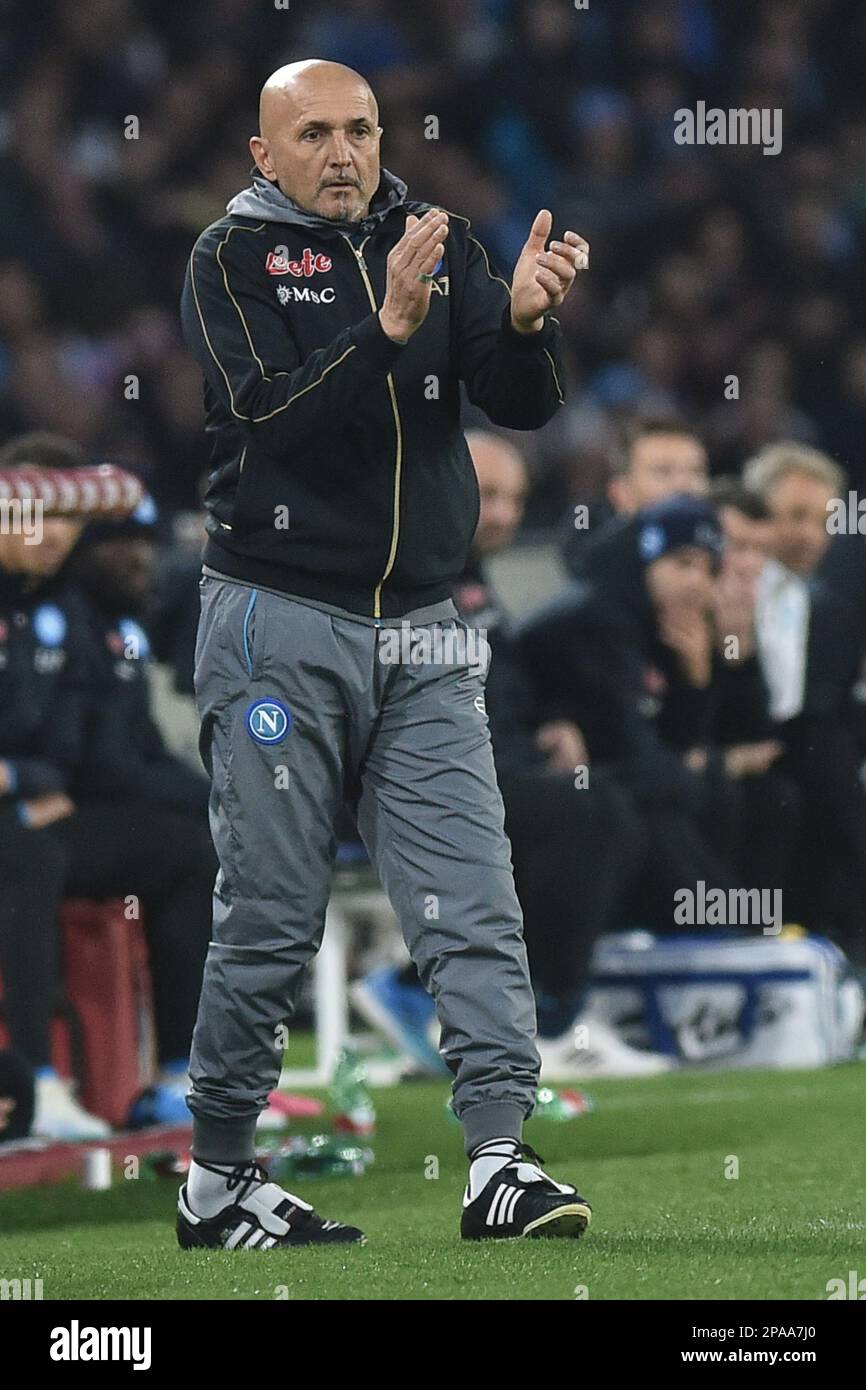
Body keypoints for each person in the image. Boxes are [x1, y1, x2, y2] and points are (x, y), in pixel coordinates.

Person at [178, 59, 593, 1247]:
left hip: (422, 626)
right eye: (312, 134)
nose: (343, 152)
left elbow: (516, 403)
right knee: (270, 905)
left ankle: (500, 1159)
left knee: (471, 893)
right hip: (276, 616)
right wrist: (383, 331)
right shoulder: (231, 259)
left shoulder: (435, 236)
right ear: (264, 155)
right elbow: (269, 425)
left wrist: (522, 320)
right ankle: (217, 1177)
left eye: (359, 128)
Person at [354, 430, 667, 1078]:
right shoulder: (393, 571)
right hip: (412, 781)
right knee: (590, 814)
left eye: (514, 499)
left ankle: (458, 996)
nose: (501, 514)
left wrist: (551, 721)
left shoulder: (470, 578)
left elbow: (507, 682)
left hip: (492, 769)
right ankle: (538, 1012)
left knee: (619, 804)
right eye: (487, 494)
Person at [744, 443, 866, 957]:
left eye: (821, 521)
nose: (808, 535)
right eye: (794, 516)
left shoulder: (824, 605)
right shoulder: (733, 589)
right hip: (757, 744)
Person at [561, 415, 710, 578]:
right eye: (663, 471)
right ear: (621, 492)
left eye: (696, 471)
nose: (684, 485)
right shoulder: (590, 544)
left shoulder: (726, 540)